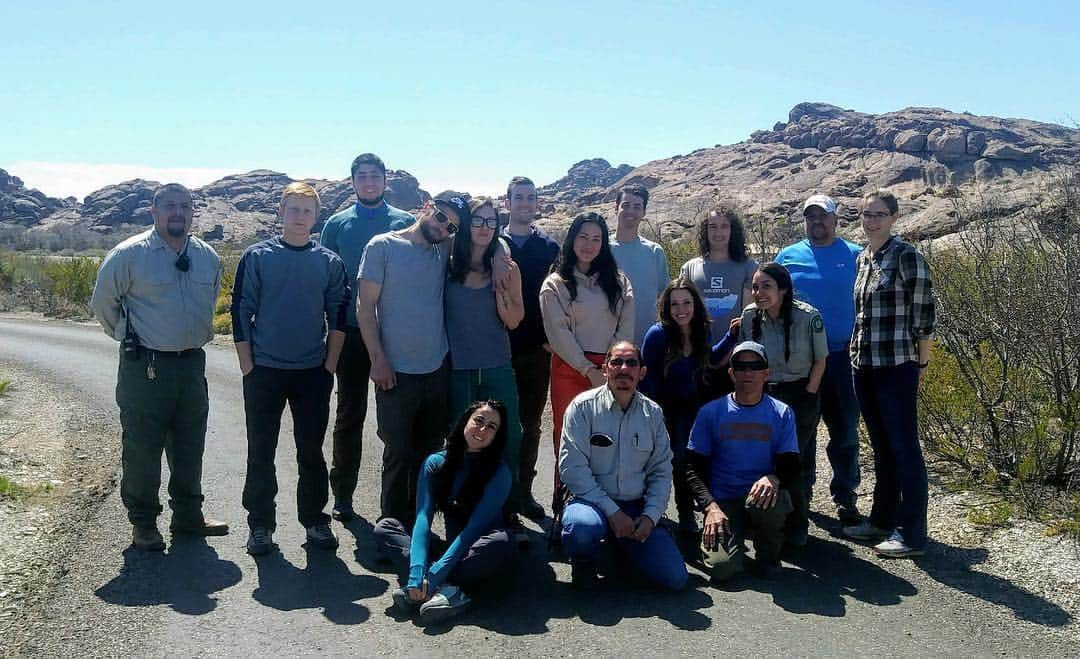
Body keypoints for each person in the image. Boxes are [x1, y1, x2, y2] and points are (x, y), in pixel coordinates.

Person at [90, 183, 228, 551]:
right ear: (154, 211)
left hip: (191, 365)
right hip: (145, 367)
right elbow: (104, 304)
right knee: (142, 447)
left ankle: (188, 516)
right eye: (169, 205)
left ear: (193, 211)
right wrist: (130, 334)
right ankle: (144, 523)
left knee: (189, 445)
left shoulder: (207, 256)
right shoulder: (128, 255)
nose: (177, 212)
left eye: (185, 205)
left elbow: (211, 300)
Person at [231, 182, 350, 556]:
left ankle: (315, 520)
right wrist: (248, 366)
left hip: (311, 371)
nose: (300, 217)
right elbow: (240, 311)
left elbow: (338, 316)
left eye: (307, 210)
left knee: (311, 451)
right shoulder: (257, 256)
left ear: (317, 217)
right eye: (293, 209)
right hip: (264, 371)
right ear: (280, 212)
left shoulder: (329, 262)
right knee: (261, 450)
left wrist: (329, 365)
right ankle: (261, 525)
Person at [360, 193, 466, 529]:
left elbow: (489, 243)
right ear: (426, 208)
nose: (441, 226)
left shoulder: (443, 249)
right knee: (398, 452)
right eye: (439, 216)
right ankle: (390, 528)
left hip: (436, 369)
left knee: (429, 453)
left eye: (450, 226)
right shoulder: (383, 246)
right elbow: (364, 309)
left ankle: (418, 527)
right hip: (395, 372)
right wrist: (377, 360)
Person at [319, 153, 414, 522]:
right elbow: (325, 278)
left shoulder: (404, 222)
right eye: (362, 176)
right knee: (349, 414)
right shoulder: (337, 225)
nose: (369, 182)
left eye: (375, 176)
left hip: (395, 332)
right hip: (351, 334)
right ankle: (343, 492)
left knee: (397, 418)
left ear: (385, 181)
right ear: (353, 182)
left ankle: (398, 498)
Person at [843, 189, 936, 558]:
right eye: (866, 214)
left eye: (879, 214)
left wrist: (922, 364)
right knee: (881, 446)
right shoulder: (863, 259)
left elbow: (924, 316)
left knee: (904, 448)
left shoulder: (906, 257)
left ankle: (912, 532)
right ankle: (881, 520)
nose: (871, 221)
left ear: (894, 217)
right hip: (863, 364)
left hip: (897, 364)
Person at [558, 341, 687, 591]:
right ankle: (584, 561)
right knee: (582, 529)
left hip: (636, 506)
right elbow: (571, 469)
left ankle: (621, 547)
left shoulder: (653, 414)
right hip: (591, 503)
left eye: (631, 363)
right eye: (616, 362)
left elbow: (661, 472)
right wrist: (613, 513)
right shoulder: (582, 407)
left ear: (642, 372)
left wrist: (650, 516)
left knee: (676, 579)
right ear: (605, 369)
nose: (623, 368)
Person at [377, 401, 513, 625]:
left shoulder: (500, 471)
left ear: (496, 436)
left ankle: (435, 588)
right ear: (464, 422)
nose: (482, 429)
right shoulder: (436, 462)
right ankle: (445, 590)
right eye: (478, 421)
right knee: (386, 527)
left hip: (477, 548)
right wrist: (417, 571)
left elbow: (473, 530)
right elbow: (422, 518)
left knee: (501, 541)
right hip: (450, 552)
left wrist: (433, 575)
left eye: (491, 427)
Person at [775, 194, 866, 525]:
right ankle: (804, 493)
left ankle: (845, 496)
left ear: (835, 218)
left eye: (823, 216)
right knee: (803, 429)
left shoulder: (857, 256)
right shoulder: (789, 257)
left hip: (843, 358)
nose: (817, 221)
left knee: (844, 431)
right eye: (811, 216)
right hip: (800, 360)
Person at [446, 197, 527, 542]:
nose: (484, 228)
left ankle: (507, 511)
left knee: (508, 438)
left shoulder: (507, 266)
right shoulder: (447, 262)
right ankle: (462, 512)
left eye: (491, 222)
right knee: (461, 442)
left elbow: (515, 319)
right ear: (467, 225)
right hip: (458, 367)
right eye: (478, 221)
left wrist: (501, 290)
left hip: (496, 363)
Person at [685, 341, 800, 581]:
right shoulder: (710, 412)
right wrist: (710, 507)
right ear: (731, 372)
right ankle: (723, 541)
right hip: (723, 502)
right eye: (740, 366)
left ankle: (768, 557)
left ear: (766, 373)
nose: (748, 372)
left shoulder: (782, 413)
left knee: (775, 500)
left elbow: (791, 464)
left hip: (761, 499)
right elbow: (692, 469)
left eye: (755, 366)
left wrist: (774, 477)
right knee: (722, 570)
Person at [540, 212, 634, 503]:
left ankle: (609, 500)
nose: (589, 244)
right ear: (571, 240)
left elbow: (625, 327)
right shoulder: (555, 284)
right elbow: (558, 333)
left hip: (611, 367)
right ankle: (565, 498)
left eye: (596, 239)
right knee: (568, 435)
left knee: (608, 433)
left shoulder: (618, 282)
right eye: (583, 237)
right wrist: (586, 368)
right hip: (570, 367)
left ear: (604, 243)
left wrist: (612, 368)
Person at [639, 277, 740, 537]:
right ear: (666, 307)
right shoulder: (657, 335)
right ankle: (681, 514)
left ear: (695, 304)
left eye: (686, 302)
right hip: (664, 409)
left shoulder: (700, 330)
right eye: (675, 304)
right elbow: (647, 380)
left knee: (698, 457)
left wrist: (731, 336)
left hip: (695, 405)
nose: (681, 309)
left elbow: (713, 359)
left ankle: (706, 506)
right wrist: (653, 417)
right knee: (678, 458)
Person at [739, 262, 827, 547]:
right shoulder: (750, 317)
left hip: (800, 394)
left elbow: (820, 360)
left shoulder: (808, 316)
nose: (759, 292)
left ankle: (797, 526)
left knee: (791, 461)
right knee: (761, 458)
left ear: (783, 289)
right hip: (765, 395)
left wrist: (810, 395)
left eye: (766, 286)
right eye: (755, 287)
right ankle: (763, 521)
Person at [501, 176, 560, 522]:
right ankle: (498, 493)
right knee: (497, 421)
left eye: (530, 198)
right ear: (507, 203)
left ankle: (524, 490)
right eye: (518, 197)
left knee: (531, 423)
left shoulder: (549, 247)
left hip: (537, 351)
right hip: (496, 348)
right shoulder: (494, 243)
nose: (525, 203)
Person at [680, 206, 757, 344]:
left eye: (724, 226)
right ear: (705, 231)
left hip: (736, 350)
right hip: (698, 349)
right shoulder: (689, 268)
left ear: (732, 230)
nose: (718, 232)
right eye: (713, 227)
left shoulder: (749, 267)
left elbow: (749, 315)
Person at [609, 184, 669, 347]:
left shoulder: (655, 252)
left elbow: (663, 298)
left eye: (637, 207)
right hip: (607, 343)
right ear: (616, 208)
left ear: (643, 212)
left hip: (647, 342)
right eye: (625, 205)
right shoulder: (601, 249)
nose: (631, 212)